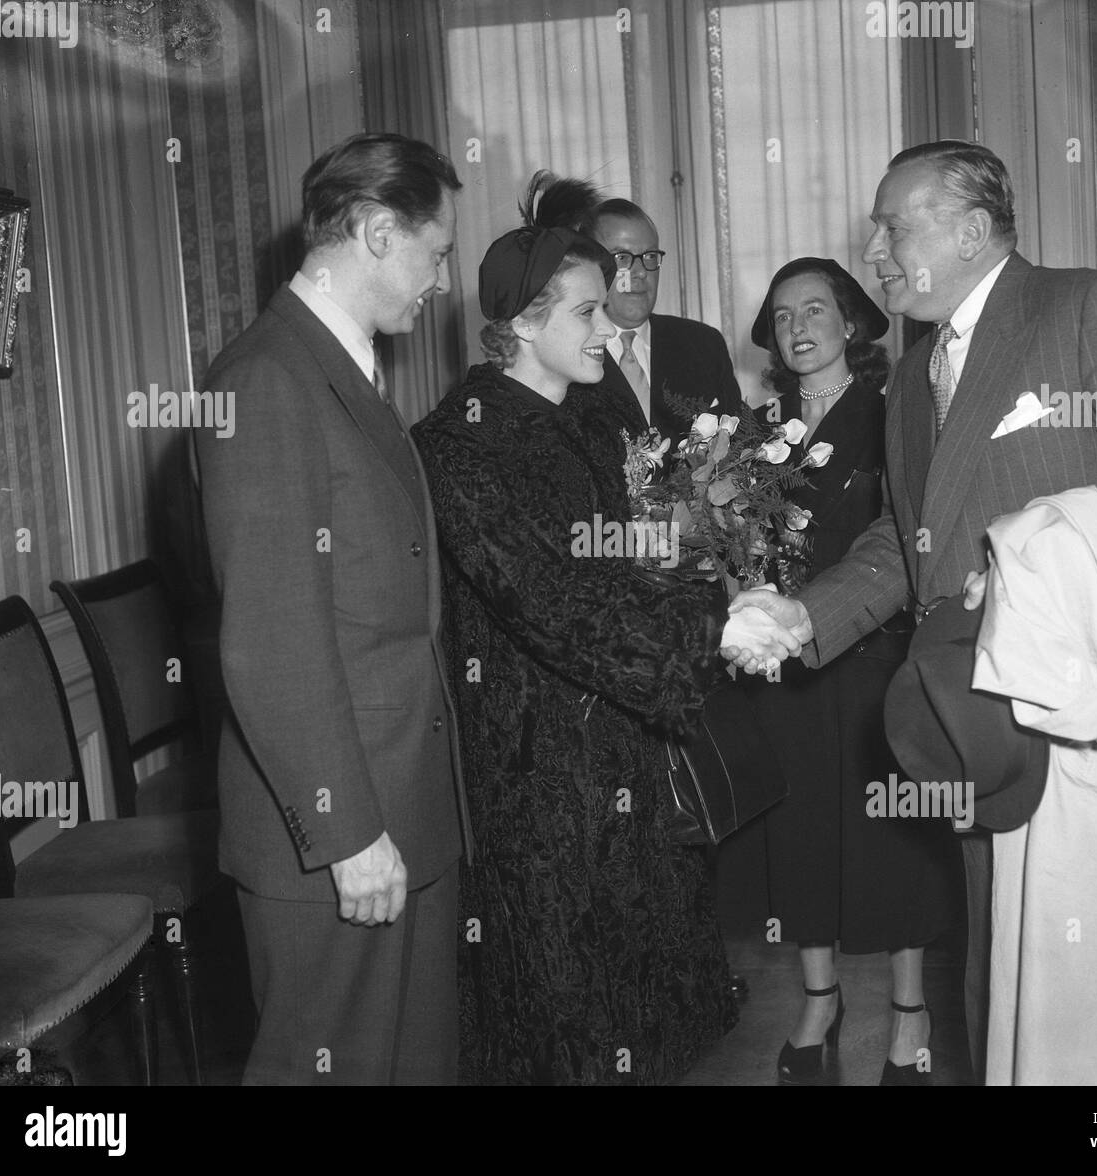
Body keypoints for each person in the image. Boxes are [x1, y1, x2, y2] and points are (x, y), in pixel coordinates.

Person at [727, 140, 1097, 1082]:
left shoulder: (1087, 307)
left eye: (895, 225)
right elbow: (907, 537)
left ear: (972, 231)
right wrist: (800, 618)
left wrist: (1043, 576)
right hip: (986, 735)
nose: (876, 250)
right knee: (1011, 999)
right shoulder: (913, 377)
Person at [412, 219, 775, 1085]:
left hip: (630, 750)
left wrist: (723, 591)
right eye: (587, 311)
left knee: (649, 1007)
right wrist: (712, 630)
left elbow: (631, 559)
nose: (611, 329)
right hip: (540, 773)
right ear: (525, 323)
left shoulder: (587, 416)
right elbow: (549, 604)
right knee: (565, 1007)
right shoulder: (459, 445)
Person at [195, 132, 470, 1084]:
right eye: (437, 250)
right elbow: (272, 643)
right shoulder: (267, 380)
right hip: (339, 830)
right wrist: (349, 833)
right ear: (376, 232)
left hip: (396, 804)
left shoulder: (336, 365)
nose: (442, 278)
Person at [733, 258, 960, 1085]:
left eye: (816, 309)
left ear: (853, 322)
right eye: (783, 313)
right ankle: (820, 998)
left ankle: (908, 1009)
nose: (799, 326)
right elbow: (735, 545)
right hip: (786, 663)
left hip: (876, 655)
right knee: (800, 836)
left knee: (889, 837)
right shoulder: (753, 431)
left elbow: (912, 535)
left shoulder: (898, 410)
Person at [583, 196, 743, 451]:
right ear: (588, 266)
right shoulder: (571, 352)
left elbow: (738, 449)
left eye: (649, 256)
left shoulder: (703, 345)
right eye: (622, 258)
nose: (640, 272)